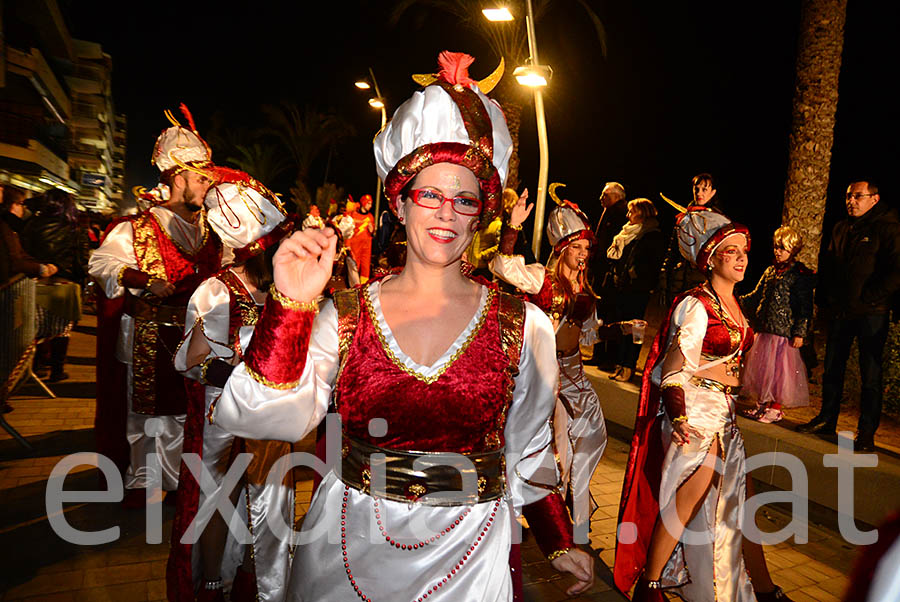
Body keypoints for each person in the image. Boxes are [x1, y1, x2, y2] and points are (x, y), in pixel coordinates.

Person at [214, 51, 594, 600]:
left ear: (481, 212)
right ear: (401, 201)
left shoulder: (522, 324)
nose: (446, 213)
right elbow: (258, 414)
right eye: (430, 195)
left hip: (471, 554)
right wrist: (290, 307)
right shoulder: (343, 316)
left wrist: (559, 540)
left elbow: (528, 449)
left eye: (464, 200)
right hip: (345, 548)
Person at [615, 207, 790, 602]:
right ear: (711, 258)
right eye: (731, 251)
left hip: (723, 413)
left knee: (739, 506)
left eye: (744, 250)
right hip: (693, 412)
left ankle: (762, 589)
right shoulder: (695, 306)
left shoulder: (734, 305)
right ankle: (650, 584)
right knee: (691, 495)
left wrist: (741, 400)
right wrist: (677, 414)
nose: (742, 257)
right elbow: (675, 370)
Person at [168, 170, 297, 602]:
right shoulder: (216, 292)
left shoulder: (291, 291)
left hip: (272, 420)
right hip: (222, 419)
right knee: (220, 498)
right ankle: (210, 586)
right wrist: (234, 377)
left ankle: (256, 582)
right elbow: (188, 362)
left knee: (266, 503)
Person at [88, 105, 223, 505]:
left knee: (188, 413)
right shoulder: (138, 227)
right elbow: (102, 262)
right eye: (201, 177)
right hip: (146, 335)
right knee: (147, 417)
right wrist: (143, 279)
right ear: (178, 176)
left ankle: (182, 486)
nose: (207, 186)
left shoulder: (214, 233)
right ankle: (142, 487)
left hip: (195, 338)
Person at [489, 183, 608, 540]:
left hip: (575, 372)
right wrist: (512, 227)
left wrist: (619, 329)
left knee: (593, 436)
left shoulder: (585, 286)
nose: (584, 254)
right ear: (563, 248)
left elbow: (588, 330)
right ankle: (551, 520)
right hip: (543, 373)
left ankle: (575, 500)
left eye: (587, 248)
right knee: (555, 446)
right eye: (578, 248)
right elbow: (503, 266)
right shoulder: (542, 276)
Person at [797, 180, 900, 452]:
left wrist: (870, 298)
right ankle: (826, 419)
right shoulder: (842, 228)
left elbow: (896, 271)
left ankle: (865, 433)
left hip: (872, 314)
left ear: (874, 199)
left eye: (857, 196)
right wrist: (827, 297)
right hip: (841, 311)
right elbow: (830, 263)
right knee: (832, 367)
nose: (851, 201)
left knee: (871, 375)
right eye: (848, 196)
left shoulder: (888, 227)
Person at [740, 225, 815, 423]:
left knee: (779, 374)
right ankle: (761, 404)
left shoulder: (799, 275)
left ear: (792, 249)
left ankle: (775, 407)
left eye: (782, 248)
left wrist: (800, 331)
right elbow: (757, 296)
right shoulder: (770, 271)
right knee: (762, 370)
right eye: (776, 247)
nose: (778, 251)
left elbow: (804, 307)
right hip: (765, 330)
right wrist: (735, 300)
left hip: (783, 334)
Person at [606, 198, 666, 382]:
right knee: (624, 326)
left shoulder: (651, 234)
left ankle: (629, 365)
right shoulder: (627, 233)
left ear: (642, 213)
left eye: (631, 212)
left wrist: (636, 274)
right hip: (624, 286)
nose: (627, 215)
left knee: (635, 329)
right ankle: (620, 364)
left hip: (639, 289)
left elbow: (652, 263)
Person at [658, 173, 722, 307]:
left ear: (713, 192)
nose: (699, 193)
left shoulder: (717, 221)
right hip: (680, 280)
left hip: (704, 281)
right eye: (696, 189)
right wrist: (664, 277)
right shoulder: (684, 217)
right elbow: (673, 250)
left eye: (704, 189)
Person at [346, 193, 376, 282]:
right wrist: (347, 244)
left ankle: (364, 285)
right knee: (355, 265)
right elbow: (347, 231)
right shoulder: (353, 215)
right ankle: (354, 286)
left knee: (366, 266)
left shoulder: (370, 217)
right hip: (355, 244)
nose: (370, 206)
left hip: (367, 245)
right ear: (364, 203)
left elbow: (372, 231)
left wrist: (372, 230)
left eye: (371, 204)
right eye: (369, 203)